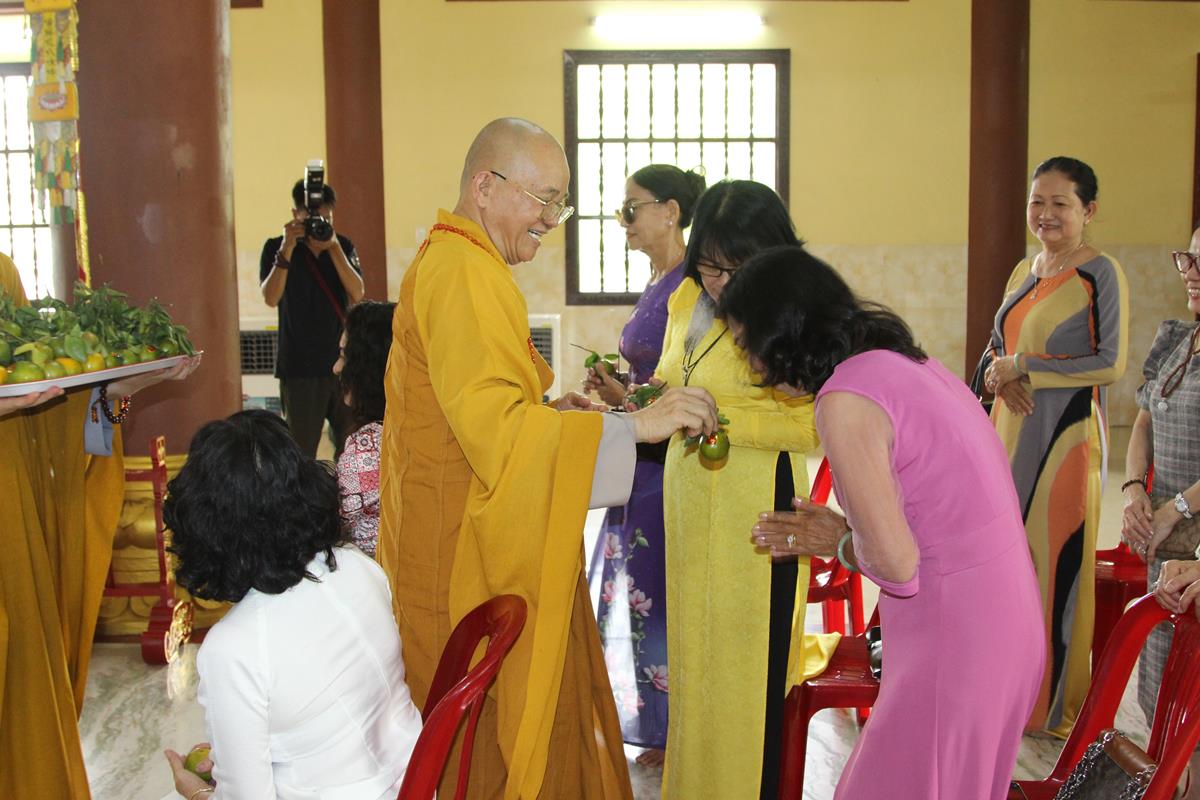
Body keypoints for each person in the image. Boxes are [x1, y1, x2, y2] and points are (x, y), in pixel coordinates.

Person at [376, 117, 719, 800]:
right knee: (479, 744)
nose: (551, 221)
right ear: (485, 186)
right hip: (457, 555)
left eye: (560, 205)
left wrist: (555, 415)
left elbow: (485, 410)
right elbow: (498, 436)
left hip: (464, 535)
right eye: (543, 201)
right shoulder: (460, 272)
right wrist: (637, 425)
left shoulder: (468, 264)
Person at [727, 245, 1044, 800]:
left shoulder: (845, 400)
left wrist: (840, 542)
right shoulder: (906, 362)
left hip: (957, 641)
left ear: (783, 335)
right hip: (1005, 624)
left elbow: (897, 565)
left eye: (745, 343)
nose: (750, 364)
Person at [641, 180, 836, 800]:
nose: (722, 283)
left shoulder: (791, 308)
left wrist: (718, 418)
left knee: (747, 669)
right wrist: (645, 401)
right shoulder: (686, 298)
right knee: (694, 660)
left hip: (756, 503)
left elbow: (810, 423)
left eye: (736, 268)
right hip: (688, 496)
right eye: (710, 267)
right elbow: (670, 377)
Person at [0, 256, 200, 799]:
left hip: (12, 540)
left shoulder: (2, 274)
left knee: (24, 708)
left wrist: (112, 392)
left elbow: (38, 408)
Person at [163, 410, 421, 799]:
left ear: (205, 531)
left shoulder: (233, 648)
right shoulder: (356, 566)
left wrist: (195, 792)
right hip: (412, 779)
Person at [982, 156, 1128, 736]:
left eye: (1060, 203)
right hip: (1009, 430)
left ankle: (1052, 707)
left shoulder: (1101, 273)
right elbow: (997, 346)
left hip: (1065, 439)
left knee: (1053, 564)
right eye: (1036, 201)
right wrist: (1000, 374)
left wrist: (1025, 367)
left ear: (1088, 211)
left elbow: (1110, 363)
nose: (1045, 213)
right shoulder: (1025, 268)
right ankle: (1006, 690)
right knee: (1006, 561)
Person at [582, 164, 705, 765]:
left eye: (632, 208)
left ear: (671, 211)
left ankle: (670, 725)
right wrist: (616, 391)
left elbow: (687, 384)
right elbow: (650, 381)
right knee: (636, 588)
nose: (624, 221)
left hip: (664, 460)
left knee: (653, 590)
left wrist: (627, 397)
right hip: (639, 455)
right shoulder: (659, 280)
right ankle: (653, 719)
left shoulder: (691, 286)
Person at [1123, 228, 1200, 800]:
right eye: (1188, 259)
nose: (1191, 272)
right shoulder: (1179, 338)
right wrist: (1134, 490)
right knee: (1160, 683)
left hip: (1189, 533)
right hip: (1165, 536)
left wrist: (1177, 506)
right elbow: (1144, 420)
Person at [260, 177, 365, 458]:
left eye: (326, 218)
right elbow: (270, 297)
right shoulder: (276, 247)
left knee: (351, 450)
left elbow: (357, 292)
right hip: (299, 369)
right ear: (296, 214)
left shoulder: (342, 245)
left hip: (342, 366)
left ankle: (346, 489)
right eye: (312, 218)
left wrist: (334, 247)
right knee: (301, 452)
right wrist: (287, 248)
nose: (320, 223)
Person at [332, 300, 396, 558]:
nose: (336, 367)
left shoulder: (367, 445)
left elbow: (330, 524)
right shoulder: (416, 429)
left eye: (344, 355)